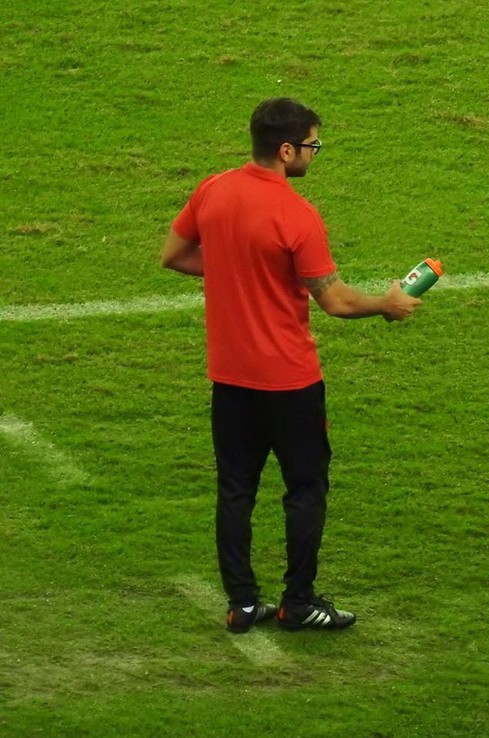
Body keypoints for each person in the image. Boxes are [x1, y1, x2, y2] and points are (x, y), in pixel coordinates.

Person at [162, 97, 421, 632]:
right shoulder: (296, 214)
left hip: (230, 379)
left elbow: (176, 255)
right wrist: (387, 305)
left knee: (236, 489)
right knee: (305, 489)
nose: (314, 153)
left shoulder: (213, 189)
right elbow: (336, 301)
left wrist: (237, 271)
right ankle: (299, 602)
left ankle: (241, 602)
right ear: (286, 149)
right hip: (289, 381)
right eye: (312, 145)